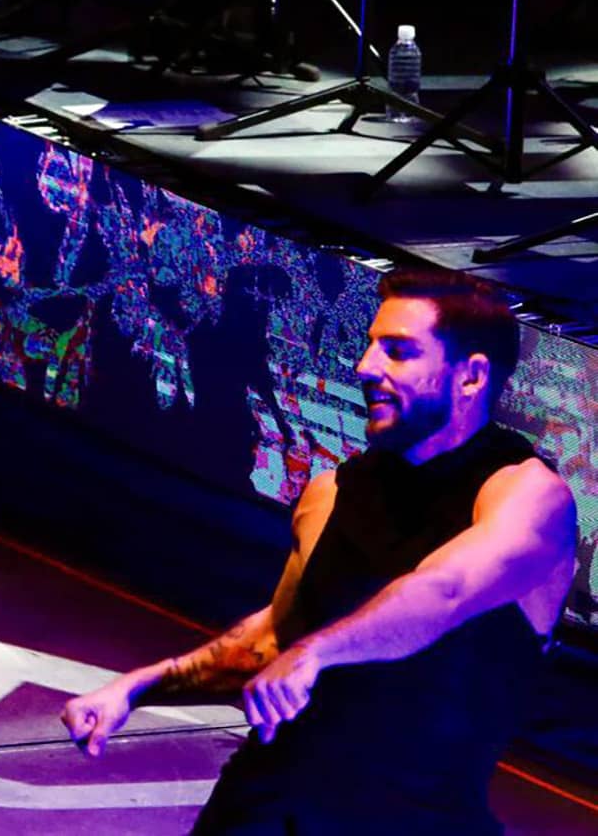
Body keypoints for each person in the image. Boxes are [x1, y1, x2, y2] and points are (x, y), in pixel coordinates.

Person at [61, 267, 578, 835]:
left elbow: (444, 590)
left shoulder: (527, 497)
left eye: (399, 352)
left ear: (471, 377)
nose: (366, 367)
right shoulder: (330, 493)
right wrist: (136, 687)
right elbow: (272, 642)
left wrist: (317, 653)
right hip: (264, 805)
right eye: (371, 345)